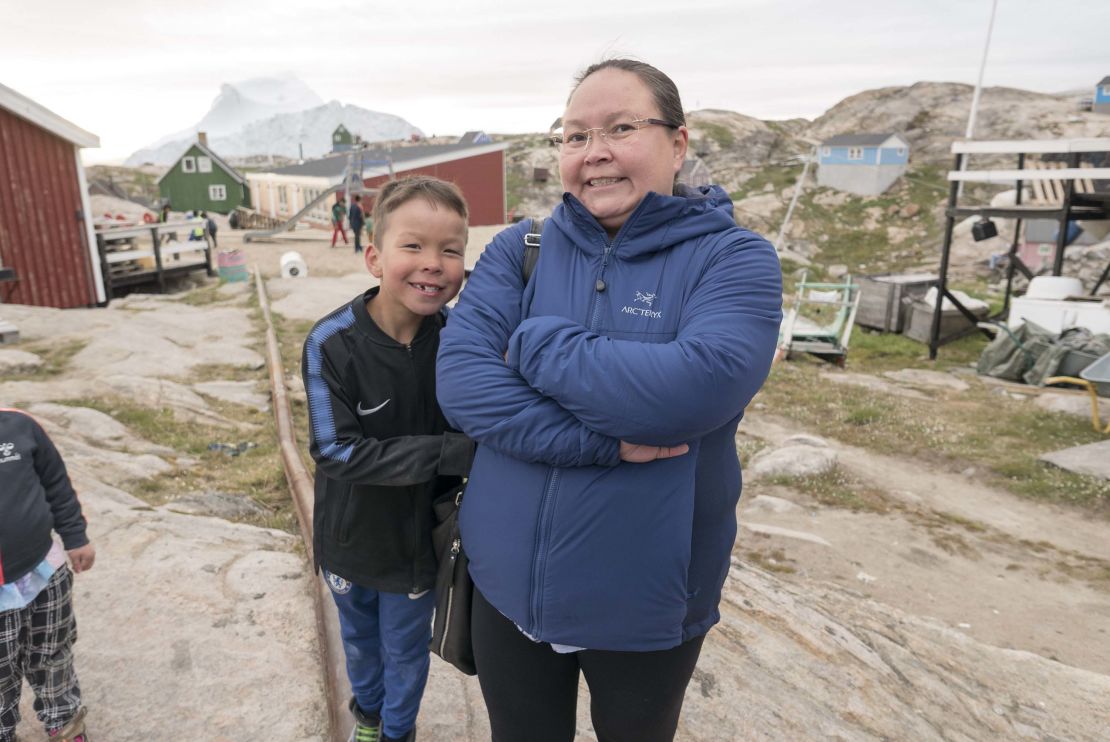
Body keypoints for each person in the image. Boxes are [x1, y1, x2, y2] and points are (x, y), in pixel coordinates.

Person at [436, 59, 782, 742]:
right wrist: (601, 440)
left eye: (620, 128)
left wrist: (535, 344)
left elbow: (691, 391)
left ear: (677, 144)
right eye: (573, 136)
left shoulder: (735, 260)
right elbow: (463, 387)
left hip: (647, 606)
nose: (593, 153)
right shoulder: (521, 249)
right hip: (505, 587)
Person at [302, 176, 475, 742]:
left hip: (419, 546)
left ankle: (397, 732)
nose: (432, 263)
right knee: (359, 641)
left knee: (406, 649)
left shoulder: (459, 340)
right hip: (349, 541)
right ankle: (369, 718)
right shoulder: (331, 342)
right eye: (413, 246)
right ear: (374, 257)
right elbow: (333, 450)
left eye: (450, 250)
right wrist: (448, 451)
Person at [1, 408, 96, 742]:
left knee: (53, 654)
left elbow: (55, 482)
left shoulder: (20, 425)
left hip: (43, 571)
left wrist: (75, 537)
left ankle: (65, 723)